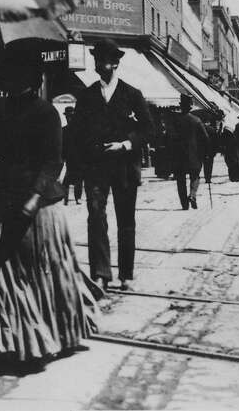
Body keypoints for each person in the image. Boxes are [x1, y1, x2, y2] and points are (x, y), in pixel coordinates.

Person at [0, 43, 100, 373]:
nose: (11, 80)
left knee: (45, 271)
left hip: (39, 206)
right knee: (2, 275)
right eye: (8, 74)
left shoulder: (46, 113)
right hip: (2, 203)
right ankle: (14, 341)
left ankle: (51, 335)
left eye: (19, 74)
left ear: (31, 76)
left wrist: (32, 200)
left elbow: (53, 161)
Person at [73, 38, 153, 292]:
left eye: (105, 60)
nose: (100, 65)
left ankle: (126, 274)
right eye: (97, 60)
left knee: (125, 220)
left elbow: (149, 130)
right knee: (96, 217)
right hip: (96, 167)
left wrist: (127, 144)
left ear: (116, 63)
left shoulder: (133, 95)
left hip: (125, 167)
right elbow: (76, 133)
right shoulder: (86, 96)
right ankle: (100, 273)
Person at [168, 95, 209, 210]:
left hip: (179, 155)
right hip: (194, 154)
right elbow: (205, 138)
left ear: (181, 106)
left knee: (180, 180)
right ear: (190, 107)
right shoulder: (196, 121)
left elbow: (170, 138)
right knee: (195, 176)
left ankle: (184, 205)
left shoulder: (175, 121)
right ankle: (192, 195)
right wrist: (205, 152)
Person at [62, 107, 83, 204]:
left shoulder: (79, 129)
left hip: (78, 157)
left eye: (70, 116)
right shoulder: (64, 130)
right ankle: (65, 198)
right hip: (69, 157)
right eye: (67, 116)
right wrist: (63, 157)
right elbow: (62, 145)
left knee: (78, 178)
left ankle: (77, 198)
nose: (68, 118)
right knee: (67, 180)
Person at [201, 112, 222, 185]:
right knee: (209, 164)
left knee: (204, 164)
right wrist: (216, 150)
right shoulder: (212, 130)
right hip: (211, 150)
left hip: (202, 149)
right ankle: (208, 178)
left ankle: (205, 176)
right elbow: (216, 141)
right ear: (209, 122)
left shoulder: (201, 129)